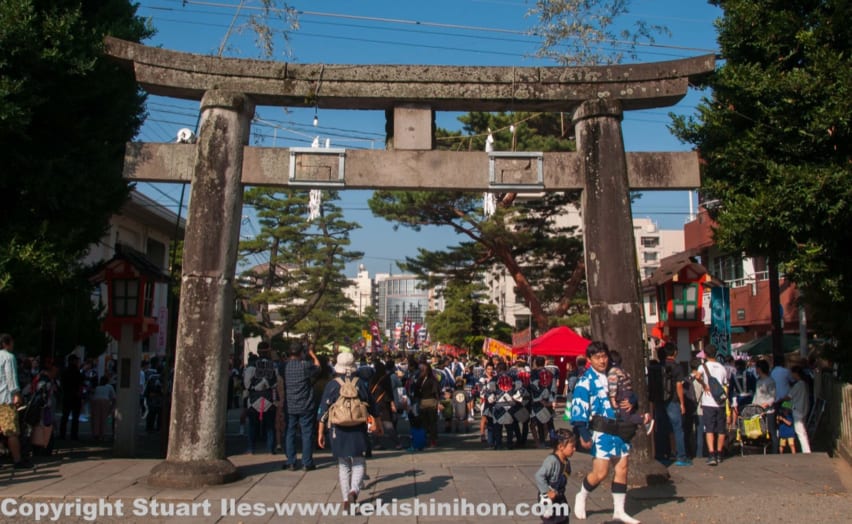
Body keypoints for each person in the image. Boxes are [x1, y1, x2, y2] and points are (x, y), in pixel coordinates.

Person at [571, 341, 640, 524]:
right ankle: (582, 494)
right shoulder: (585, 381)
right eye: (597, 357)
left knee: (622, 468)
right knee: (600, 473)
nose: (602, 360)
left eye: (604, 356)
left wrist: (632, 400)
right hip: (601, 430)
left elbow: (629, 391)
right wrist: (583, 432)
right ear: (589, 359)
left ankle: (619, 510)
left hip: (620, 427)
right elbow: (579, 407)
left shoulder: (615, 374)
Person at [317, 352, 381, 513]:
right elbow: (373, 406)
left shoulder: (332, 384)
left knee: (344, 464)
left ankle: (346, 498)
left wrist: (320, 432)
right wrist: (378, 425)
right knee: (359, 461)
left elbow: (323, 411)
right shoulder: (361, 383)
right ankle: (354, 491)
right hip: (358, 426)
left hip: (338, 427)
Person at [282, 341, 320, 471]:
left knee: (290, 432)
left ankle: (291, 461)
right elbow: (318, 368)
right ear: (300, 353)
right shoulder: (305, 366)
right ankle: (307, 462)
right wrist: (312, 355)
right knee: (307, 433)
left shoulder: (285, 367)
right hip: (305, 404)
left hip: (290, 404)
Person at [0, 334, 33, 469]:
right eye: (12, 343)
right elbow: (11, 377)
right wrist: (17, 394)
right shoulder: (9, 357)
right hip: (5, 398)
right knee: (12, 431)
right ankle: (17, 460)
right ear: (7, 343)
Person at [695, 344, 729, 466]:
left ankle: (711, 454)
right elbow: (726, 385)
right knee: (721, 429)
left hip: (708, 402)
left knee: (709, 429)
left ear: (705, 354)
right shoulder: (722, 368)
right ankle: (719, 453)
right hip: (720, 402)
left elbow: (697, 376)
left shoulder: (702, 366)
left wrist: (704, 386)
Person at [534, 428, 576, 524]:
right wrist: (547, 492)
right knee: (551, 520)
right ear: (561, 446)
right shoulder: (552, 461)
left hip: (559, 495)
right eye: (572, 446)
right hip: (549, 497)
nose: (574, 449)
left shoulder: (565, 461)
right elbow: (539, 476)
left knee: (563, 518)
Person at [607, 350, 653, 435]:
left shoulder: (612, 371)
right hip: (628, 393)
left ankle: (644, 419)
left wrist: (612, 398)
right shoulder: (623, 371)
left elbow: (612, 385)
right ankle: (642, 419)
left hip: (622, 394)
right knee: (627, 415)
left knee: (626, 417)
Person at [662, 343, 691, 466]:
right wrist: (682, 403)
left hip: (660, 400)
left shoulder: (659, 366)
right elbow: (679, 386)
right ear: (675, 352)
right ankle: (681, 456)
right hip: (673, 400)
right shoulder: (677, 367)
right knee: (678, 429)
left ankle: (664, 454)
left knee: (664, 429)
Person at [411, 360, 440, 448]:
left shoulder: (420, 379)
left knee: (425, 423)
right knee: (432, 422)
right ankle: (432, 440)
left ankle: (425, 440)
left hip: (423, 402)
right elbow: (436, 391)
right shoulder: (433, 379)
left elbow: (415, 391)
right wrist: (438, 401)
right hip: (431, 401)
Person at [788, 365, 811, 453]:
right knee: (803, 431)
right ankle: (806, 449)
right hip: (803, 409)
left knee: (800, 432)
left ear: (795, 373)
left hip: (797, 410)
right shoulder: (804, 384)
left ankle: (806, 450)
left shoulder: (798, 385)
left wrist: (779, 401)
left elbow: (789, 397)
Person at [90, 376, 116, 441]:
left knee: (96, 418)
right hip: (105, 401)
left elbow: (92, 395)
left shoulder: (97, 387)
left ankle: (95, 434)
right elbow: (114, 397)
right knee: (103, 418)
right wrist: (113, 406)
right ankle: (102, 434)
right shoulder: (109, 386)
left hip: (95, 401)